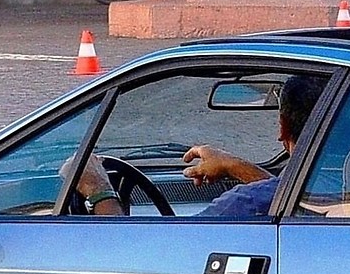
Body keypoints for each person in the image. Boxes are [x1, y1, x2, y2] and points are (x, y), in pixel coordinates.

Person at [71, 74, 326, 218]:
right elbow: (288, 194)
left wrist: (100, 192)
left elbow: (159, 251)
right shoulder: (346, 188)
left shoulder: (243, 203)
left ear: (282, 127)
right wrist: (232, 165)